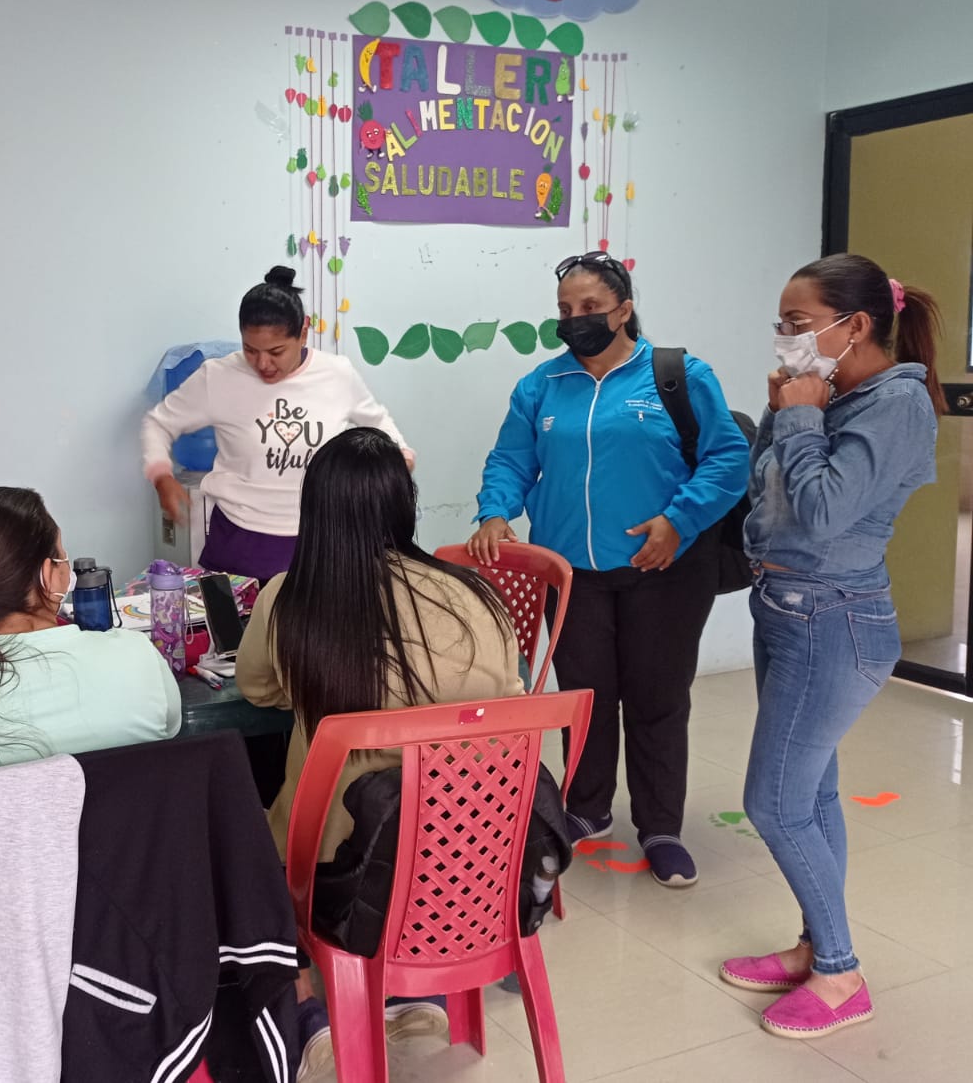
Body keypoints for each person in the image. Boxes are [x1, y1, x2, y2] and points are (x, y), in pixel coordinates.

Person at [236, 427, 519, 1077]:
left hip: (342, 865)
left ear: (314, 510)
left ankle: (310, 1015)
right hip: (474, 857)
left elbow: (257, 689)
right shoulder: (476, 596)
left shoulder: (290, 597)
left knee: (243, 835)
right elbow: (505, 704)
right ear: (405, 504)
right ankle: (415, 996)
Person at [469, 251, 748, 888]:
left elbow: (728, 459)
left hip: (665, 569)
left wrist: (678, 520)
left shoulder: (678, 376)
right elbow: (511, 460)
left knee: (657, 699)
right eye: (566, 309)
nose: (576, 320)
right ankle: (587, 808)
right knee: (586, 696)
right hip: (573, 575)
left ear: (623, 310)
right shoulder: (541, 385)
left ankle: (661, 828)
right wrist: (494, 511)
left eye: (590, 307)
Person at [722, 255, 941, 1039]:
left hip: (834, 617)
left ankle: (841, 973)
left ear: (856, 326)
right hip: (784, 607)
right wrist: (782, 412)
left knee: (773, 803)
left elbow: (821, 515)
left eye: (798, 323)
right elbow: (768, 497)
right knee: (810, 795)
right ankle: (817, 945)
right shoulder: (830, 395)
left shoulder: (897, 404)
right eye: (781, 324)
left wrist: (801, 418)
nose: (785, 338)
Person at [0, 486, 182, 797]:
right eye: (62, 555)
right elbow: (169, 732)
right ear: (47, 574)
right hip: (123, 830)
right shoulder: (136, 658)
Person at [141, 265, 412, 583]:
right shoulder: (218, 376)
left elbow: (380, 425)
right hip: (239, 541)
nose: (262, 364)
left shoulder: (336, 374)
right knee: (237, 617)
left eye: (276, 351)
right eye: (250, 350)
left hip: (320, 541)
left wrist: (399, 460)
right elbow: (158, 423)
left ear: (303, 332)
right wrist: (162, 476)